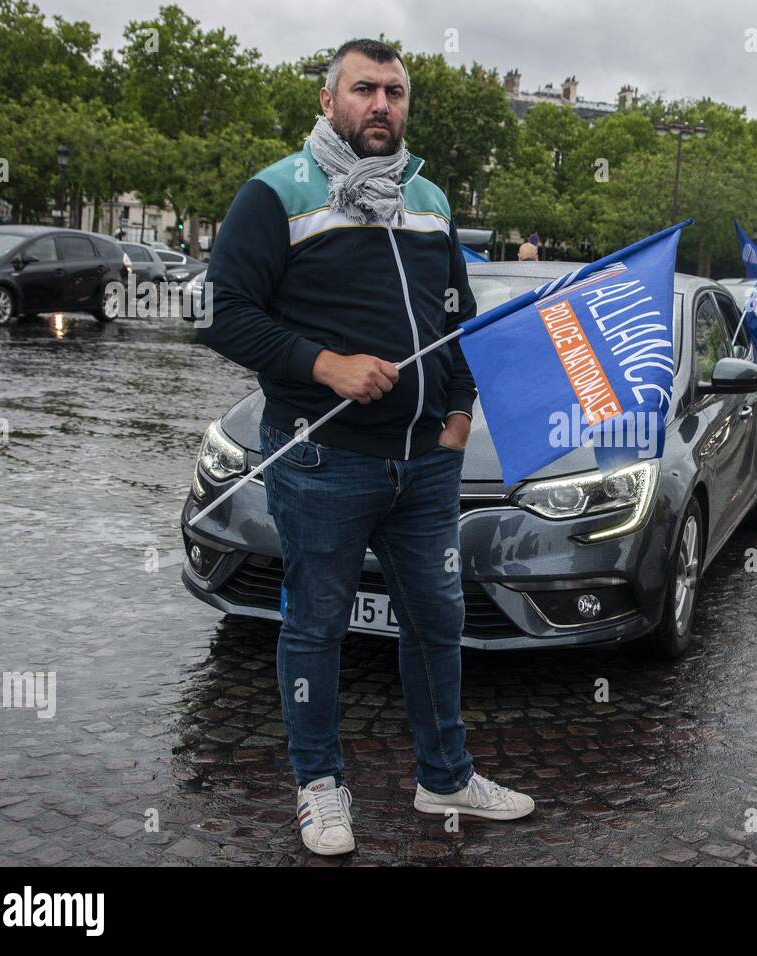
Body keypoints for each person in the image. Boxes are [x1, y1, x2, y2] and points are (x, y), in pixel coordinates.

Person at [198, 38, 534, 856]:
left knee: (438, 619)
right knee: (315, 625)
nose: (381, 105)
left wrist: (457, 415)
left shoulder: (429, 197)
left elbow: (456, 318)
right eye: (364, 90)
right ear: (328, 102)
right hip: (322, 461)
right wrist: (324, 364)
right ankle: (319, 787)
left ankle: (444, 775)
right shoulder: (276, 193)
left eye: (394, 92)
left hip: (424, 464)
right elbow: (221, 310)